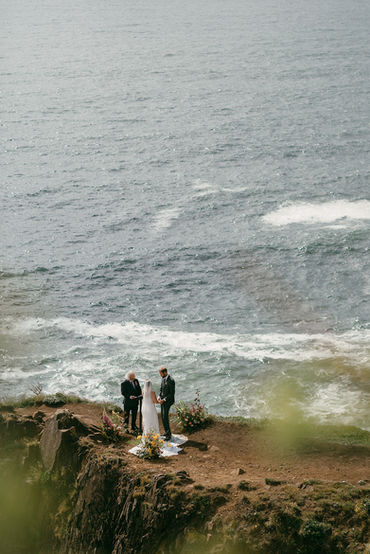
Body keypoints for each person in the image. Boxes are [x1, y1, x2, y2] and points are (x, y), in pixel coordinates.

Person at [158, 366, 175, 440]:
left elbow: (172, 393)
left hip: (168, 401)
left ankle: (168, 435)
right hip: (162, 401)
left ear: (165, 372)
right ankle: (166, 432)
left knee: (165, 417)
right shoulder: (163, 379)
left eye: (161, 373)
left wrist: (164, 399)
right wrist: (159, 396)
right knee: (162, 416)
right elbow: (161, 389)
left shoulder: (171, 380)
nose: (160, 375)